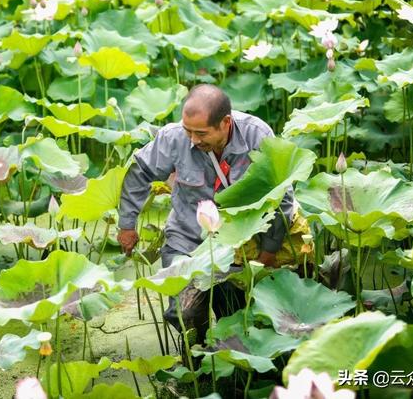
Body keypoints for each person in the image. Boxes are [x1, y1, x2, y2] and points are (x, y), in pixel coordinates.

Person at [116, 84, 293, 342]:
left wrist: (266, 255)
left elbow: (281, 199)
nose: (193, 140)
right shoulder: (174, 137)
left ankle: (226, 368)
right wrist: (127, 224)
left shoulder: (257, 136)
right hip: (187, 241)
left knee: (234, 320)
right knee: (184, 313)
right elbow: (139, 172)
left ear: (225, 122)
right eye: (188, 131)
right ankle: (195, 363)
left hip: (238, 246)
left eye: (201, 133)